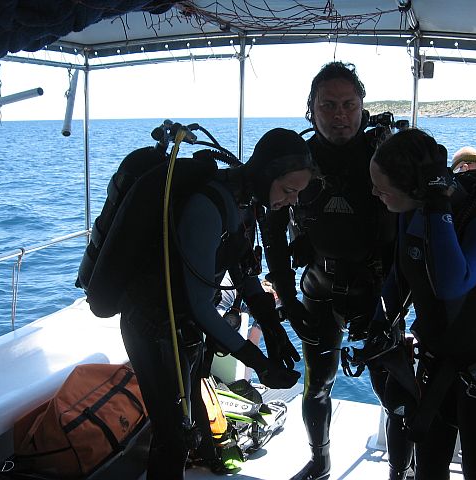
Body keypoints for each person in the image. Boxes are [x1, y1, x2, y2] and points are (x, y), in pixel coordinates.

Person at [117, 128, 316, 479]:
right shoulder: (207, 206)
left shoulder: (244, 203)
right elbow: (198, 304)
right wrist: (258, 362)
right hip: (152, 327)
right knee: (173, 436)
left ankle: (205, 454)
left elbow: (244, 273)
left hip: (185, 328)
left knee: (190, 417)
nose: (292, 201)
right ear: (267, 174)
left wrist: (273, 330)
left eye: (298, 193)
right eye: (289, 191)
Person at [262, 61, 396, 480]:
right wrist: (287, 299)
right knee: (316, 385)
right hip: (318, 287)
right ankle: (319, 466)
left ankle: (402, 471)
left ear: (362, 108)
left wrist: (399, 303)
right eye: (328, 105)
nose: (340, 115)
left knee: (394, 392)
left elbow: (412, 234)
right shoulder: (295, 161)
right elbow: (273, 235)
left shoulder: (386, 158)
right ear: (311, 110)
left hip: (377, 291)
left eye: (349, 105)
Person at [368, 128, 476, 479]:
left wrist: (437, 203)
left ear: (414, 189)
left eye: (382, 189)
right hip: (435, 367)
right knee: (428, 471)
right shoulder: (410, 213)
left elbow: (450, 285)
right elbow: (401, 275)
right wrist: (378, 326)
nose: (374, 193)